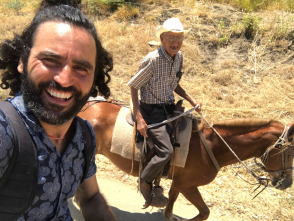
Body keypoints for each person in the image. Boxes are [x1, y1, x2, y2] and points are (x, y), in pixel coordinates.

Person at [0, 0, 116, 220]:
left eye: (81, 68)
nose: (64, 80)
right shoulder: (4, 131)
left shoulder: (83, 135)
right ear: (22, 61)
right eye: (50, 60)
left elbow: (90, 197)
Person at [128, 17, 202, 208]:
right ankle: (145, 181)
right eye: (171, 37)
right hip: (152, 111)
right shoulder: (152, 60)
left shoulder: (179, 57)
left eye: (179, 38)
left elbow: (174, 83)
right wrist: (140, 117)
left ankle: (165, 176)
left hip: (169, 107)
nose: (176, 42)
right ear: (162, 39)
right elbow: (134, 86)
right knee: (166, 150)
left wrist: (192, 99)